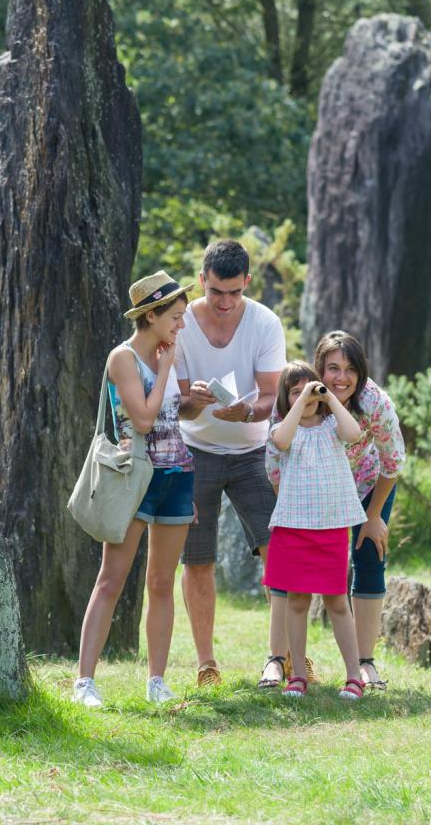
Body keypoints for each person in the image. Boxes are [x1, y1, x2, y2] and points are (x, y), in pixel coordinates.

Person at [74, 271, 196, 708]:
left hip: (177, 473)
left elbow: (169, 413)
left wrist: (194, 395)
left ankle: (156, 681)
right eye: (176, 317)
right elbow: (142, 420)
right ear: (151, 315)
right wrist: (166, 371)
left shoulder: (165, 354)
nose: (181, 325)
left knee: (162, 582)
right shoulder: (122, 358)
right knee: (112, 579)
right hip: (135, 476)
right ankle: (85, 682)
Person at [175, 240, 287, 688]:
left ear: (247, 283)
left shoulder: (264, 322)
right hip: (194, 449)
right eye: (216, 292)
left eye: (233, 294)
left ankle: (282, 655)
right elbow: (177, 406)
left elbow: (271, 397)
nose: (224, 303)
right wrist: (193, 402)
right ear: (202, 280)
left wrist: (248, 412)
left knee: (276, 549)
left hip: (252, 451)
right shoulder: (180, 324)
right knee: (197, 559)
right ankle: (207, 663)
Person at [267, 331, 405, 689]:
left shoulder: (373, 401)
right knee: (291, 578)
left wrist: (373, 516)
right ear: (318, 370)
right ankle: (277, 659)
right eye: (332, 369)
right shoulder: (298, 395)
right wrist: (289, 506)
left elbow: (393, 461)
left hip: (365, 484)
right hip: (307, 499)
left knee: (369, 558)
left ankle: (364, 663)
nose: (341, 378)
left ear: (361, 373)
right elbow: (275, 455)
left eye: (350, 369)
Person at [262, 361, 367, 699]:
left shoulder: (333, 426)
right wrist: (299, 401)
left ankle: (354, 675)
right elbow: (280, 441)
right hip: (294, 527)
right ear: (286, 399)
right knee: (296, 601)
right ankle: (297, 677)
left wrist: (327, 398)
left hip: (331, 527)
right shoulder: (284, 429)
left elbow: (355, 434)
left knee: (337, 601)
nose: (306, 395)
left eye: (311, 388)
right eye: (296, 391)